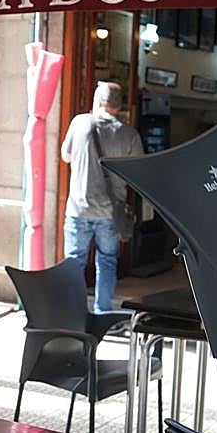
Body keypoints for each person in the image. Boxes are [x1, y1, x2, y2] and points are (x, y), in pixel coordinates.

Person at [60, 81, 144, 312]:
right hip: (110, 211)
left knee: (74, 263)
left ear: (98, 101)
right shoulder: (129, 134)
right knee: (106, 262)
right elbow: (138, 172)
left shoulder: (80, 123)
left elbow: (66, 156)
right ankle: (102, 311)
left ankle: (72, 312)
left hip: (78, 208)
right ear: (120, 106)